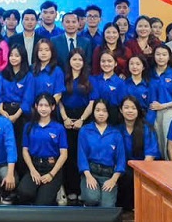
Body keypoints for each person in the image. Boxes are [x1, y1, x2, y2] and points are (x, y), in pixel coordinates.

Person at [15, 93, 68, 206]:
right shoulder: (29, 126)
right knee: (23, 193)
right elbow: (25, 150)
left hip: (52, 167)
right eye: (41, 105)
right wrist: (32, 170)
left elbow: (64, 154)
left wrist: (51, 174)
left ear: (52, 107)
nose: (43, 109)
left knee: (42, 203)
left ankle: (57, 190)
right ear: (36, 106)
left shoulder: (59, 128)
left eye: (47, 105)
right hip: (35, 166)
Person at [60, 49, 97, 206]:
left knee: (81, 154)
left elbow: (92, 102)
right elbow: (58, 100)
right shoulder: (63, 77)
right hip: (66, 118)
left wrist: (82, 119)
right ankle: (70, 189)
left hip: (84, 118)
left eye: (80, 60)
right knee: (68, 155)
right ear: (69, 61)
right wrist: (65, 118)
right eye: (74, 59)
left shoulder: (89, 79)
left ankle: (82, 189)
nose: (77, 62)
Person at [78, 99, 126, 208]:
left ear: (109, 113)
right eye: (98, 110)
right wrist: (88, 176)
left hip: (108, 175)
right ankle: (87, 202)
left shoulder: (116, 133)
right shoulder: (85, 130)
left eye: (104, 111)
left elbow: (121, 160)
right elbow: (82, 156)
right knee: (92, 198)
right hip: (91, 172)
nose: (101, 113)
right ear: (93, 112)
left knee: (107, 206)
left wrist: (113, 180)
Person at [117, 96, 159, 210]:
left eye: (133, 108)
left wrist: (138, 172)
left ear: (138, 110)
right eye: (126, 107)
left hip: (142, 167)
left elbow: (150, 156)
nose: (130, 111)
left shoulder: (147, 129)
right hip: (122, 167)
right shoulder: (117, 130)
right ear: (121, 110)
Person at [149, 45, 172, 155]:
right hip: (151, 113)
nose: (161, 57)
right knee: (156, 144)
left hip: (168, 111)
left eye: (164, 55)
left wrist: (163, 106)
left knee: (169, 144)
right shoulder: (148, 73)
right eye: (158, 54)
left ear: (169, 57)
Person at [22, 38, 64, 114]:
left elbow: (58, 94)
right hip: (32, 111)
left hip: (50, 111)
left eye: (47, 50)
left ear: (52, 52)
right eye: (40, 50)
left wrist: (45, 107)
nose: (43, 53)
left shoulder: (57, 71)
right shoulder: (30, 69)